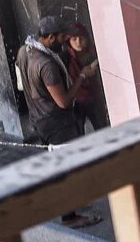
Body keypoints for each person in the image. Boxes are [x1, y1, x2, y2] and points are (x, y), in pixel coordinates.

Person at [15, 15, 98, 146]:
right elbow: (63, 102)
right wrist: (82, 76)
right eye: (63, 37)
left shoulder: (23, 51)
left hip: (37, 120)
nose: (65, 41)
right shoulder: (47, 65)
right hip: (57, 126)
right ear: (51, 38)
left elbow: (21, 84)